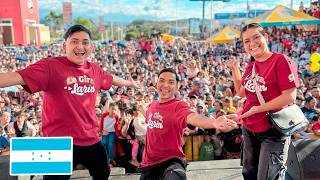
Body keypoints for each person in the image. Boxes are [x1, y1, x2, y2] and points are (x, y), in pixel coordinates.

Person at [0, 25, 139, 180]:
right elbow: (16, 76)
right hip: (59, 142)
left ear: (91, 47)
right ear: (65, 45)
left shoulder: (95, 70)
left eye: (85, 42)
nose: (80, 46)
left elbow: (112, 79)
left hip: (91, 140)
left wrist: (129, 83)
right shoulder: (50, 67)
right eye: (75, 41)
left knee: (103, 173)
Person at [228, 23, 299, 180]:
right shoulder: (251, 66)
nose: (252, 44)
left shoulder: (281, 61)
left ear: (266, 37)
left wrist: (258, 109)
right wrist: (235, 70)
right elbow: (241, 93)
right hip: (249, 128)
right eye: (246, 41)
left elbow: (289, 96)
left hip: (273, 130)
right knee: (249, 173)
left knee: (268, 176)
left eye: (256, 37)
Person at [139, 68, 238, 180]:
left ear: (177, 86)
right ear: (156, 83)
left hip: (171, 162)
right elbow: (150, 122)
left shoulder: (178, 106)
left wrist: (214, 122)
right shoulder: (152, 106)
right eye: (161, 80)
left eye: (171, 82)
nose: (165, 85)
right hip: (148, 165)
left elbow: (193, 117)